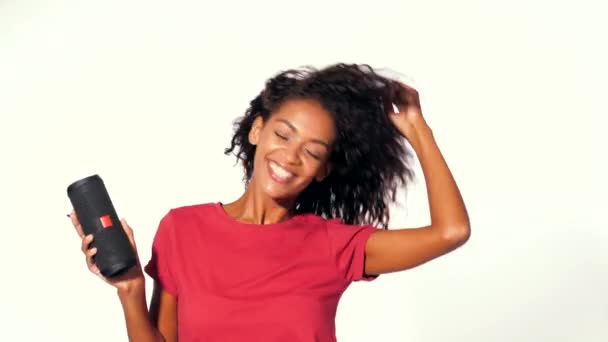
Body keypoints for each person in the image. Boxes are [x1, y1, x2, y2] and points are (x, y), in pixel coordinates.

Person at [69, 63, 470, 342]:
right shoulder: (182, 230)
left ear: (323, 170)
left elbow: (451, 232)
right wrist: (130, 288)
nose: (290, 157)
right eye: (283, 135)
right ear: (257, 131)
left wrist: (418, 129)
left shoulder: (334, 244)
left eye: (311, 152)